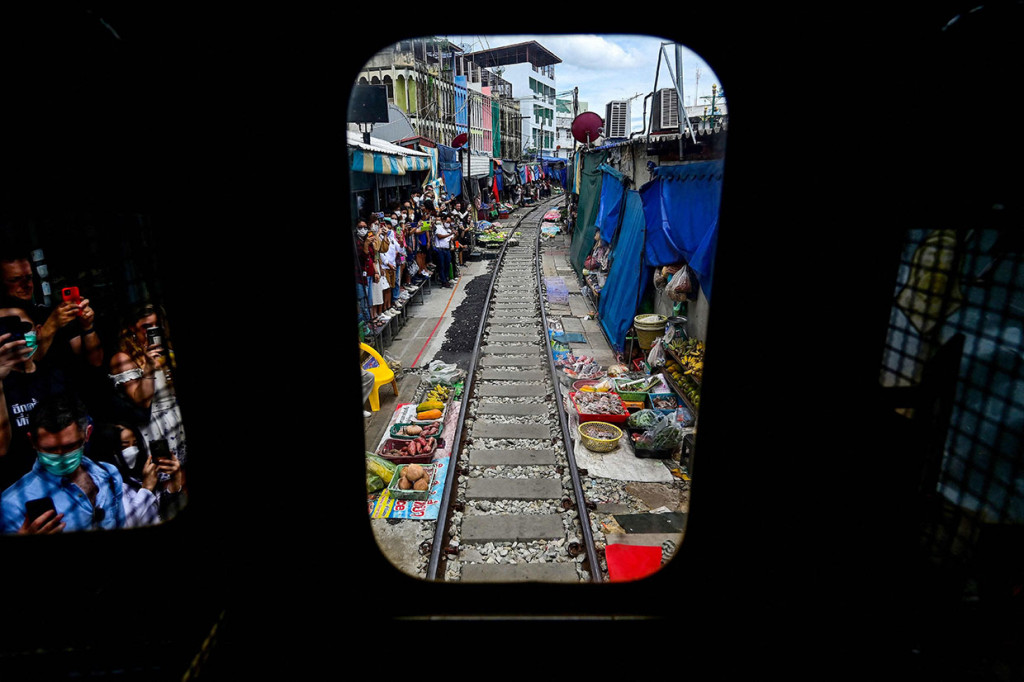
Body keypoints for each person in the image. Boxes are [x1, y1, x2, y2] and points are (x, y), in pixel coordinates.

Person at [0, 393, 126, 534]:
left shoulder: (109, 474)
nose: (61, 456)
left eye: (70, 446)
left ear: (87, 434)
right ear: (33, 442)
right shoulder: (11, 505)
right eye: (50, 449)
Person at [108, 303, 186, 465]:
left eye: (158, 325)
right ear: (131, 328)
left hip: (177, 418)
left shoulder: (168, 350)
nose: (154, 330)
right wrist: (150, 366)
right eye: (147, 326)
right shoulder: (124, 358)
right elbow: (142, 401)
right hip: (153, 425)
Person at [88, 421, 185, 527]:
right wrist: (146, 489)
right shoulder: (103, 485)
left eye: (135, 444)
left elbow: (159, 510)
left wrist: (175, 481)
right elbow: (125, 523)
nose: (132, 450)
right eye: (124, 446)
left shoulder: (136, 475)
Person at [434, 218, 454, 288]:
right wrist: (449, 234)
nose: (448, 223)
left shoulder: (449, 230)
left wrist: (455, 234)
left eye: (449, 222)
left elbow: (452, 239)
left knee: (447, 265)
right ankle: (443, 281)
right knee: (441, 265)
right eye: (447, 221)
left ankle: (446, 279)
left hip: (447, 249)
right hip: (440, 250)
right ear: (443, 221)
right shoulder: (439, 227)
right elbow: (439, 236)